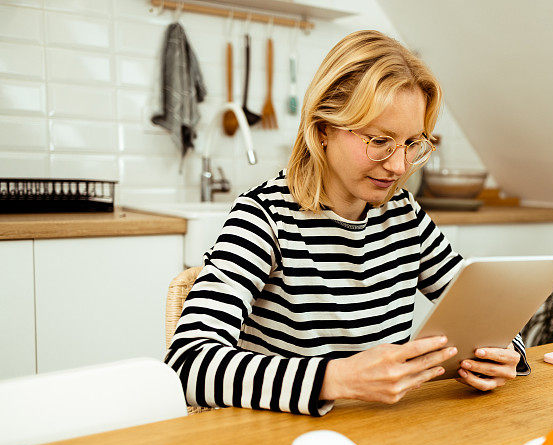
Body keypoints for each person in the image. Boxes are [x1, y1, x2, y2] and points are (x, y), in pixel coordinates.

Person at [165, 30, 529, 416]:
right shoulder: (264, 217)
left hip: (382, 436)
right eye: (379, 140)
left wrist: (505, 354)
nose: (399, 166)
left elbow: (486, 311)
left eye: (411, 144)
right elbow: (188, 365)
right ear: (324, 128)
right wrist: (335, 379)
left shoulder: (404, 215)